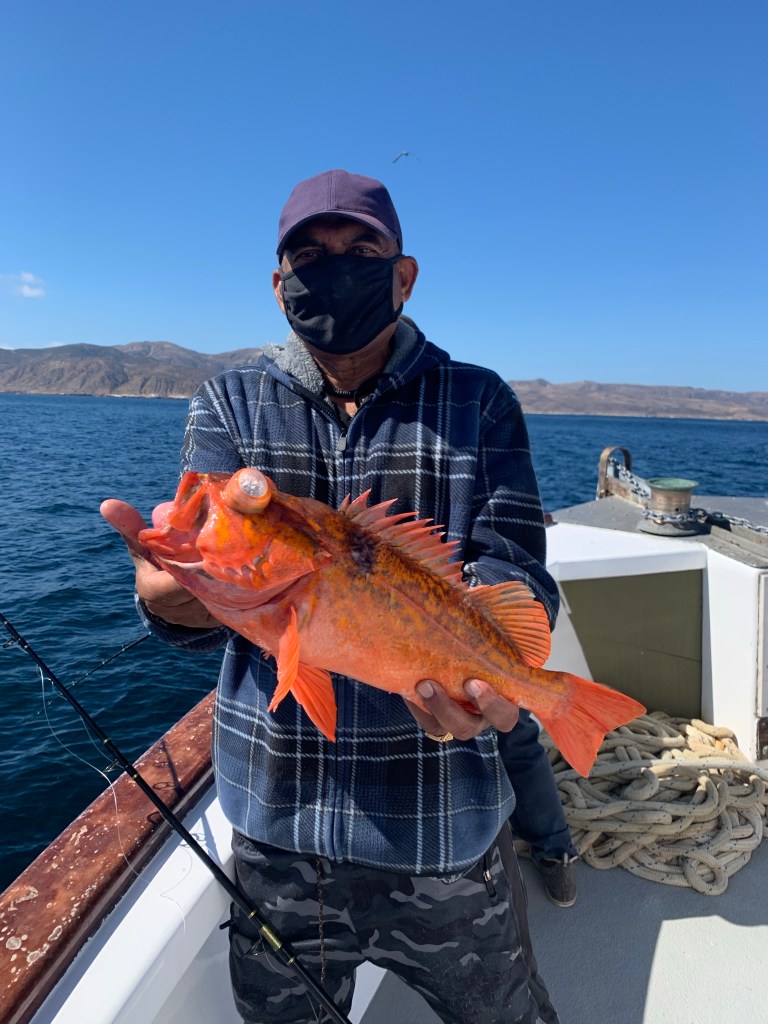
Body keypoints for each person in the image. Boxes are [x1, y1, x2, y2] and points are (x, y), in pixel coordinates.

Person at [106, 169, 571, 1024]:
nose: (335, 269)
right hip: (276, 832)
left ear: (404, 275)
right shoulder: (229, 401)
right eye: (310, 257)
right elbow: (208, 604)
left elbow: (515, 566)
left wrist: (492, 670)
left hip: (442, 824)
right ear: (279, 283)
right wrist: (173, 595)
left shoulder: (480, 400)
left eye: (361, 250)